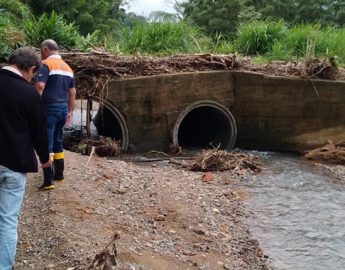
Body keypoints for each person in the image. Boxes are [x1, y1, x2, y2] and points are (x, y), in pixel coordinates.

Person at [0, 47, 51, 270]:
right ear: (31, 69)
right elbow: (39, 131)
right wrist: (45, 159)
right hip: (13, 163)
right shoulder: (29, 93)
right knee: (8, 221)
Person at [35, 39, 76, 190]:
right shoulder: (68, 68)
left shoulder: (47, 65)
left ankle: (48, 181)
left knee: (47, 142)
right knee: (58, 140)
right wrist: (69, 111)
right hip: (63, 108)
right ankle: (59, 174)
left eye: (41, 52)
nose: (41, 55)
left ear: (45, 49)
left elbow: (39, 85)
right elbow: (72, 92)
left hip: (49, 108)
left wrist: (35, 106)